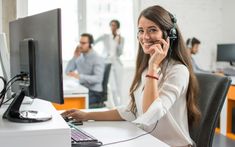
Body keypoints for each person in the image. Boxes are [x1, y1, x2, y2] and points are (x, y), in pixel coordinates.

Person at [62, 5, 201, 147]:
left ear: (169, 34)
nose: (145, 37)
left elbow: (150, 114)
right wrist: (87, 116)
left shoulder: (178, 71)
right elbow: (132, 111)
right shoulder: (146, 68)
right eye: (141, 31)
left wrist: (153, 68)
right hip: (148, 141)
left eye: (152, 30)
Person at [65, 33, 105, 107]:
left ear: (90, 44)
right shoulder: (80, 56)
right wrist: (75, 56)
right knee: (66, 100)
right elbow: (67, 71)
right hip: (82, 89)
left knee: (73, 105)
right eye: (80, 42)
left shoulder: (97, 58)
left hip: (95, 92)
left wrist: (80, 77)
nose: (80, 45)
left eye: (83, 43)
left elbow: (98, 78)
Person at [94, 19, 124, 106]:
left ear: (117, 27)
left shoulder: (121, 38)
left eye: (114, 25)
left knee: (119, 87)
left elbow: (120, 53)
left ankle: (120, 106)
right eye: (111, 25)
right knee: (112, 87)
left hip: (117, 64)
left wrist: (118, 42)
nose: (112, 27)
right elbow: (93, 43)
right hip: (107, 63)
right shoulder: (105, 36)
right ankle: (115, 106)